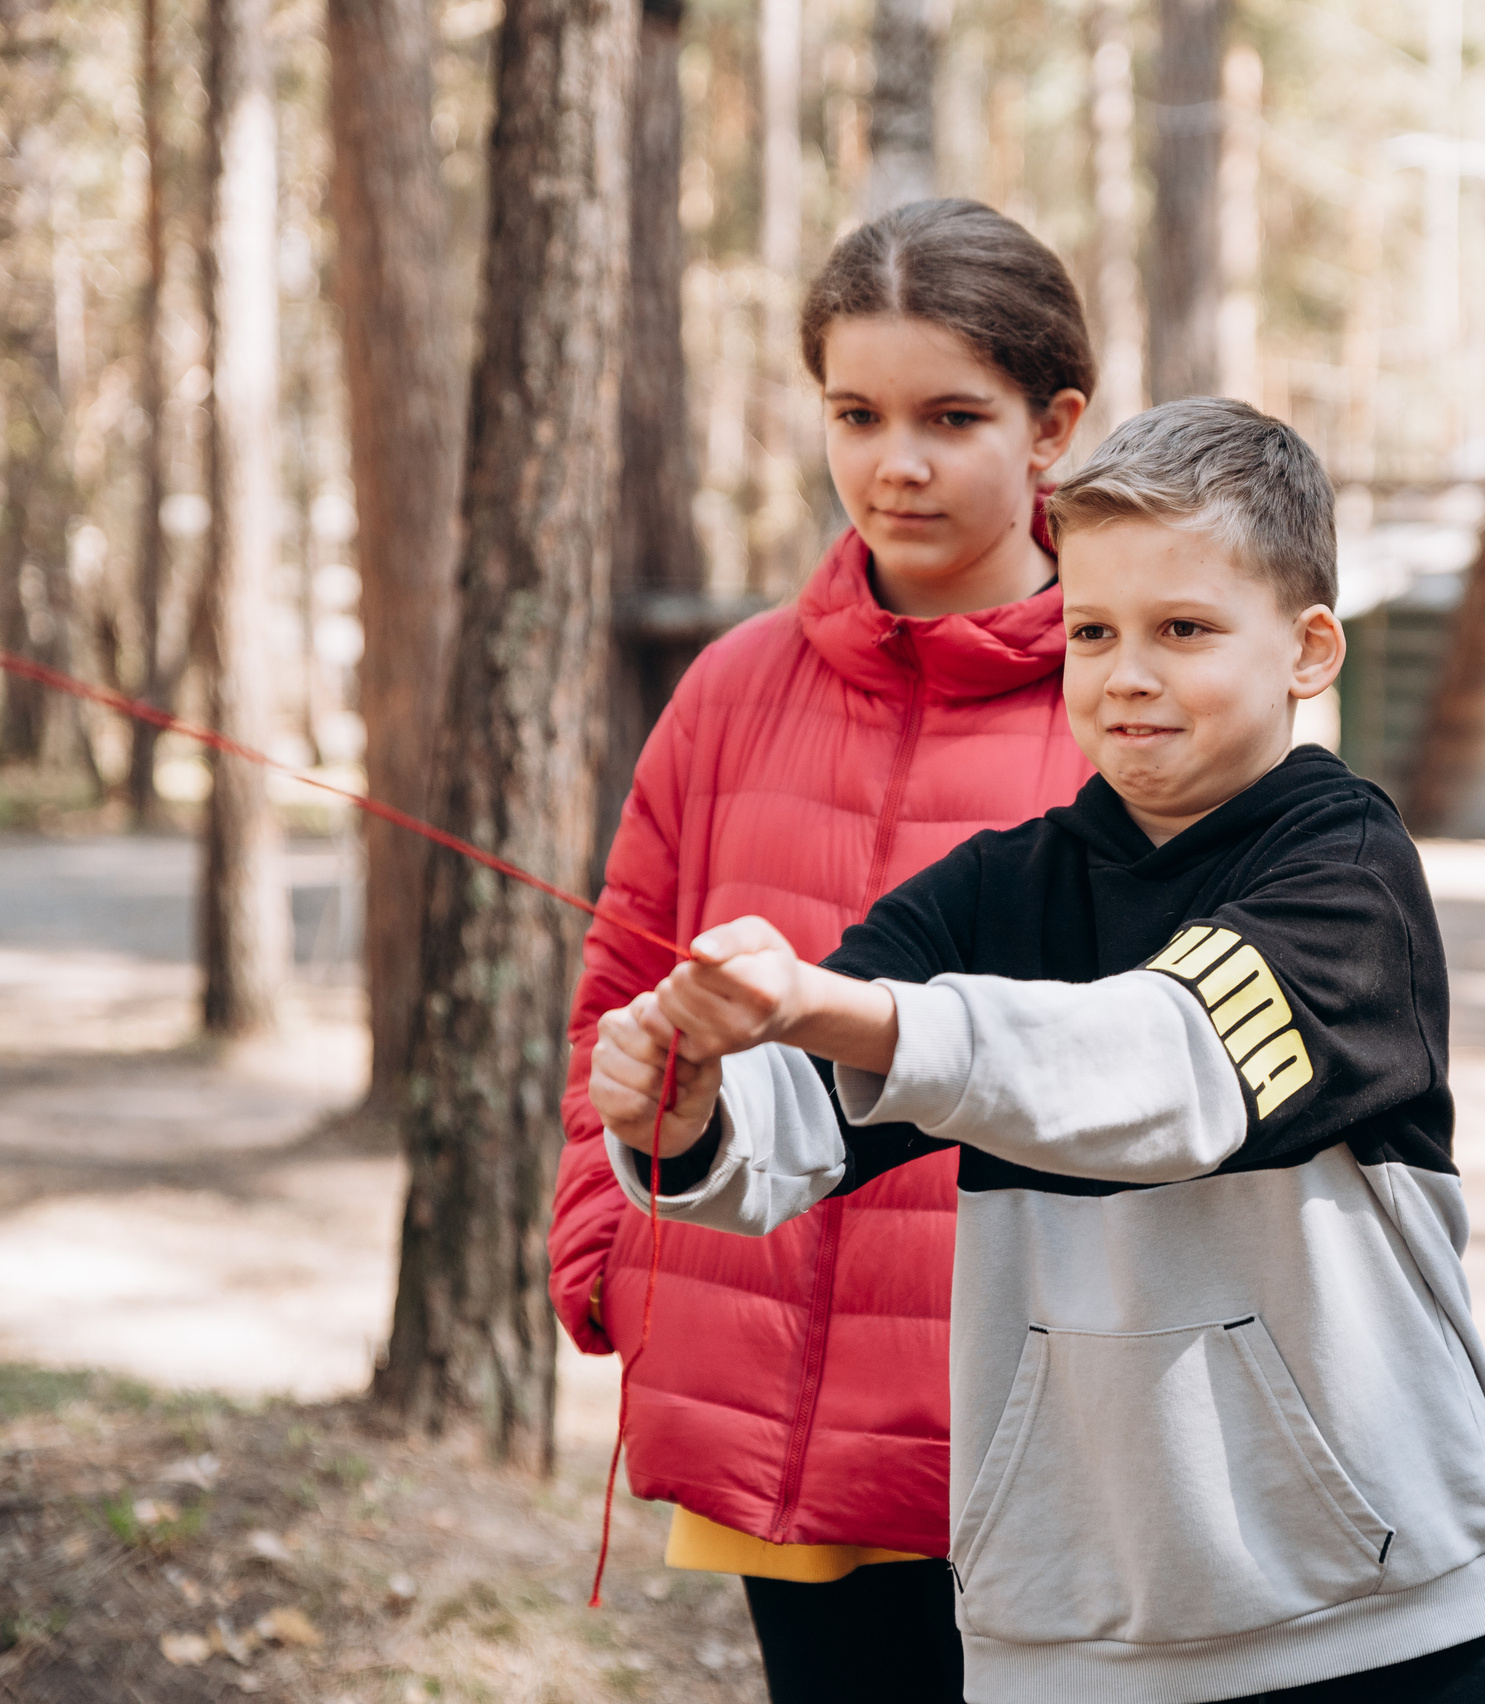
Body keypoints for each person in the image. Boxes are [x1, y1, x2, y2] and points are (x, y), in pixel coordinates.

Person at [586, 398, 1485, 1704]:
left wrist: (845, 1014)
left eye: (1185, 631)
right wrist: (688, 1108)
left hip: (1386, 1626)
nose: (1126, 673)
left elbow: (1165, 1072)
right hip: (1072, 1643)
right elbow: (790, 1134)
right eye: (1092, 632)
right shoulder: (994, 893)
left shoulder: (1346, 870)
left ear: (1310, 650)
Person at [547, 199, 1096, 1701]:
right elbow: (618, 998)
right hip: (765, 1396)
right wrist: (609, 1246)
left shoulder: (1124, 708)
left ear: (1052, 426)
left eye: (950, 416)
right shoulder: (731, 690)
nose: (894, 462)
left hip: (1032, 1421)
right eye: (856, 412)